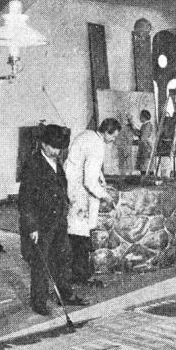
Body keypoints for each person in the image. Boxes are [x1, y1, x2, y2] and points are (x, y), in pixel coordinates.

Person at [18, 124, 88, 316]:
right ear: (43, 144)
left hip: (58, 221)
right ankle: (39, 302)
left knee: (63, 257)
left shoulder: (56, 163)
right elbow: (25, 200)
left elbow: (60, 188)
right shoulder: (33, 164)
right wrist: (31, 227)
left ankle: (66, 294)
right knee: (41, 263)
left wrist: (69, 203)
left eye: (60, 148)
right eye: (53, 147)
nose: (57, 151)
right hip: (41, 223)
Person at [65, 118, 120, 286]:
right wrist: (105, 196)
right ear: (107, 132)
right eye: (113, 136)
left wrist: (101, 181)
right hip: (81, 194)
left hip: (72, 188)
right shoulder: (97, 145)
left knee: (75, 234)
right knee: (80, 237)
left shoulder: (87, 135)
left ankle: (76, 273)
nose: (113, 140)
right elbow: (89, 181)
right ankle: (81, 275)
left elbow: (90, 169)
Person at [128, 109, 156, 175]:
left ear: (144, 117)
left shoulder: (148, 125)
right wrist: (131, 124)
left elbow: (143, 138)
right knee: (144, 167)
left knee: (146, 167)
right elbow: (139, 133)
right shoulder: (144, 125)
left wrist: (133, 142)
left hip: (146, 149)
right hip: (144, 148)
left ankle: (148, 179)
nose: (139, 118)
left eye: (140, 116)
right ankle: (146, 179)